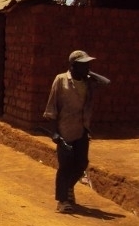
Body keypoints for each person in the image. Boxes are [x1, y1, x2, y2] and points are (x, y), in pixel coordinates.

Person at [43, 50, 110, 213]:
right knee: (65, 165)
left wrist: (89, 72)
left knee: (81, 164)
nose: (87, 67)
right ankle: (62, 201)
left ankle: (67, 188)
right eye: (83, 64)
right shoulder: (61, 80)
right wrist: (54, 132)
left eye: (88, 64)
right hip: (65, 129)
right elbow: (51, 107)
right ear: (73, 66)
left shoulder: (88, 81)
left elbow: (106, 82)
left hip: (82, 129)